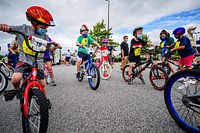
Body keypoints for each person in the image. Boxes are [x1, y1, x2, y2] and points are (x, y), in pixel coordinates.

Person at [0, 6, 60, 108]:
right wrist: (4, 27)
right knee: (15, 78)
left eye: (46, 28)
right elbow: (9, 28)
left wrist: (54, 48)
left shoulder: (45, 36)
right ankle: (18, 90)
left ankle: (45, 100)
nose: (45, 30)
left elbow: (48, 49)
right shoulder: (23, 29)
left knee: (42, 83)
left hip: (38, 62)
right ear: (34, 22)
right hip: (24, 60)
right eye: (43, 27)